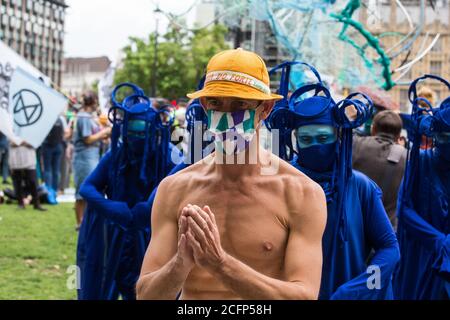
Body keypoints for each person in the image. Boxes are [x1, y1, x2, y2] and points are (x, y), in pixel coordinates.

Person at [137, 48, 327, 300]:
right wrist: (180, 265)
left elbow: (304, 296)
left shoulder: (300, 193)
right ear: (204, 105)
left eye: (240, 103)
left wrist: (221, 265)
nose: (226, 116)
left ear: (266, 108)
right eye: (216, 102)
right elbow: (146, 296)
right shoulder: (175, 188)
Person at [268, 61, 399, 300]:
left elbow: (389, 249)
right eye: (306, 139)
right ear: (295, 141)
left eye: (323, 137)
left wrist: (361, 287)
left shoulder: (360, 186)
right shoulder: (281, 184)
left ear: (337, 137)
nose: (315, 146)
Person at [77, 84, 180, 300]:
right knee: (112, 283)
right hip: (119, 236)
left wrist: (150, 205)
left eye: (141, 129)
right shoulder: (117, 153)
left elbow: (182, 180)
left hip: (155, 235)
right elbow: (87, 187)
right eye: (132, 130)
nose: (136, 137)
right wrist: (115, 209)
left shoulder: (169, 154)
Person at [394, 75, 450, 300]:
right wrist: (438, 241)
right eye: (445, 137)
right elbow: (404, 209)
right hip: (422, 255)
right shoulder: (421, 161)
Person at [352, 110, 407, 229]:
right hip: (387, 229)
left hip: (352, 224)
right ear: (398, 136)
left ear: (373, 129)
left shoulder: (355, 144)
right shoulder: (407, 157)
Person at [72, 91, 111, 230]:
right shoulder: (83, 116)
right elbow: (87, 139)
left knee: (90, 189)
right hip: (84, 157)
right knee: (82, 191)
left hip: (92, 157)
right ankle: (80, 224)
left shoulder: (89, 117)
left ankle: (85, 223)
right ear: (93, 102)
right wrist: (104, 133)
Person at [8, 141, 46, 211]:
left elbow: (35, 143)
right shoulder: (13, 130)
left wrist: (23, 143)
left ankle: (36, 203)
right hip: (16, 158)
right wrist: (21, 142)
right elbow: (11, 142)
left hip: (29, 158)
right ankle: (20, 203)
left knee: (32, 181)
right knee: (17, 182)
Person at [41, 113, 69, 202]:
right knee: (56, 171)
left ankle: (48, 191)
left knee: (47, 169)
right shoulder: (61, 118)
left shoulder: (45, 117)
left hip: (47, 145)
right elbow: (66, 132)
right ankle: (55, 190)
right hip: (58, 145)